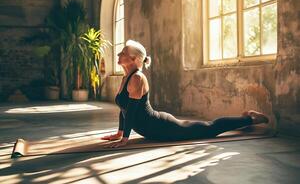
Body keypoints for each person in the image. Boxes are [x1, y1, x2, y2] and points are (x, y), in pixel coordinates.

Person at [101, 40, 269, 148]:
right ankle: (247, 118)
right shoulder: (125, 78)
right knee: (206, 128)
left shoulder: (137, 78)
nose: (118, 54)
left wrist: (125, 139)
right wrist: (120, 133)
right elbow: (123, 108)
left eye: (122, 53)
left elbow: (131, 111)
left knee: (210, 129)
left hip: (162, 127)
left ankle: (249, 118)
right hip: (153, 128)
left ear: (133, 59)